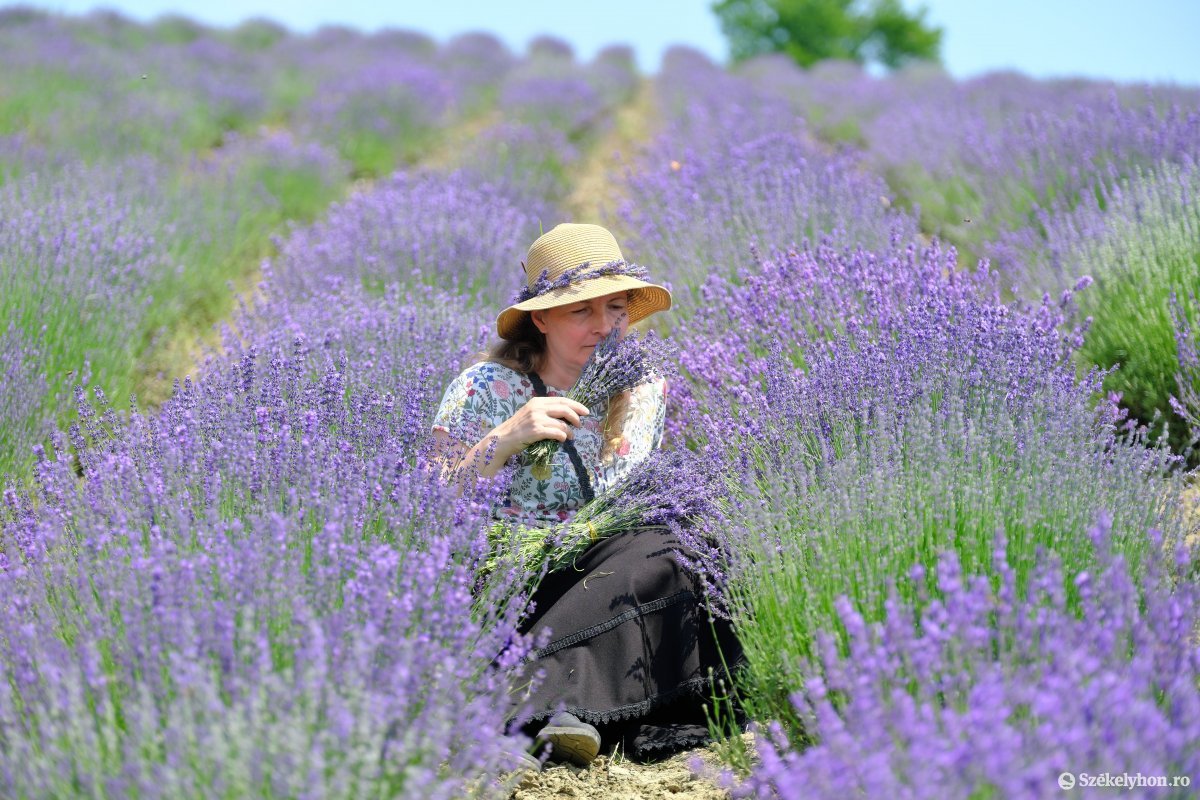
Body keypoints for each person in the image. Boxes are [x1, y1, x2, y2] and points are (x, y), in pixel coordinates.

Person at [430, 223, 740, 769]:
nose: (604, 327)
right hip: (510, 576)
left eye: (616, 309)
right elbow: (430, 497)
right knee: (652, 555)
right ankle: (562, 707)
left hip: (604, 563)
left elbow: (620, 503)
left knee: (682, 545)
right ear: (541, 319)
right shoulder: (485, 387)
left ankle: (540, 707)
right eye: (582, 311)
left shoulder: (639, 388)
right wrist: (506, 438)